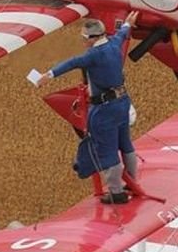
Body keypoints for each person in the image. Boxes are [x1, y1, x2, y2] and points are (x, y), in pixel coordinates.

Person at [37, 11, 139, 204]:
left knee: (108, 151)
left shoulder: (93, 56)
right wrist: (128, 23)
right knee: (125, 143)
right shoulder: (114, 43)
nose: (83, 42)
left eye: (84, 38)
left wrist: (48, 75)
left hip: (105, 109)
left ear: (92, 38)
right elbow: (123, 33)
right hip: (122, 102)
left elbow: (71, 63)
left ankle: (117, 193)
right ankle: (132, 181)